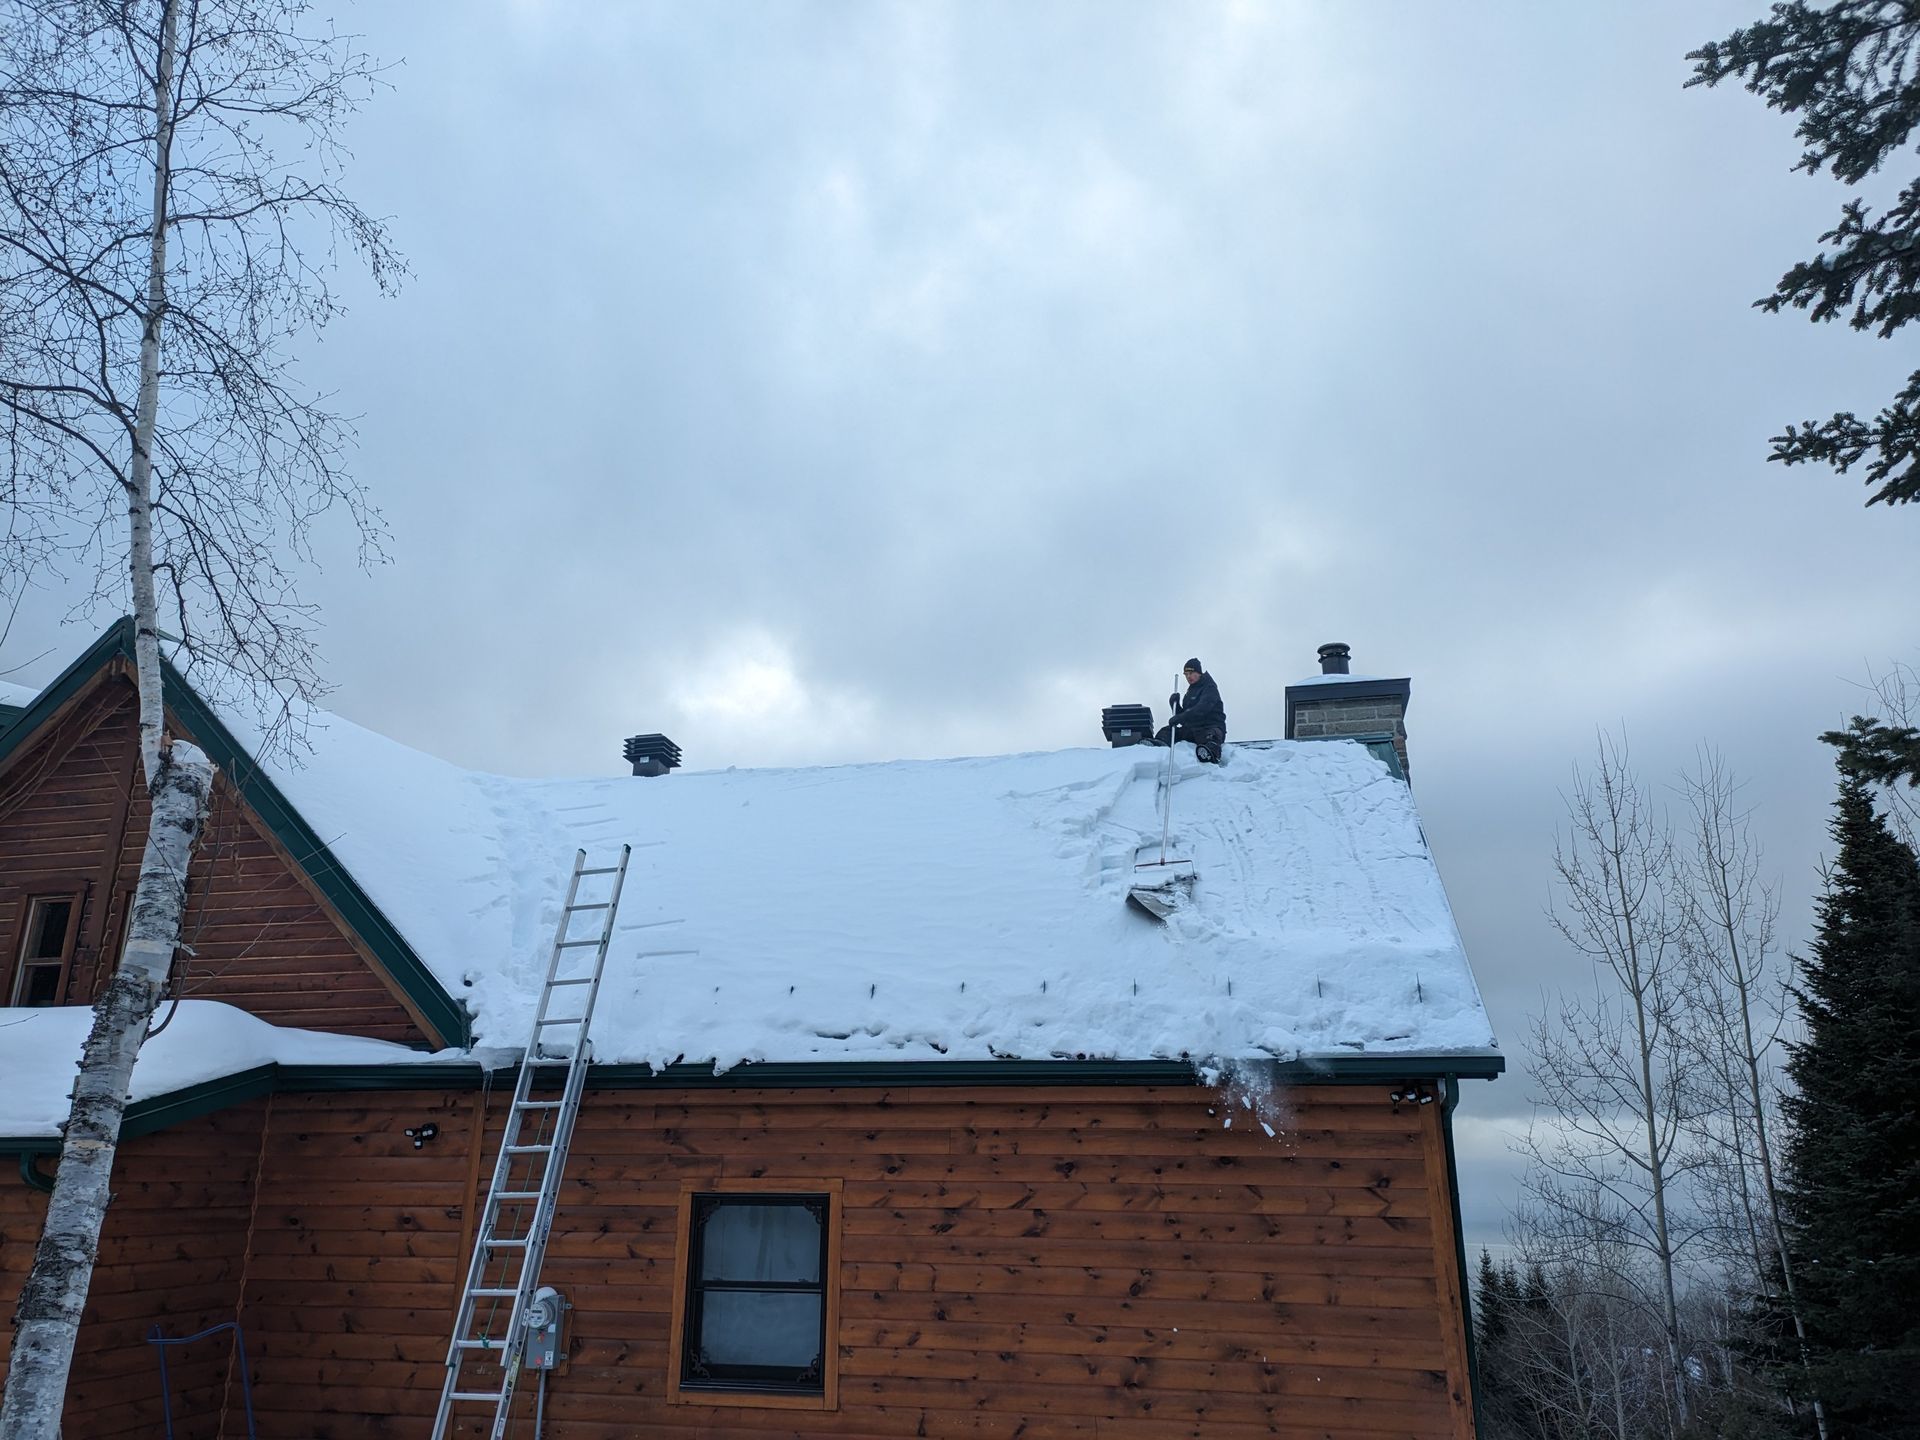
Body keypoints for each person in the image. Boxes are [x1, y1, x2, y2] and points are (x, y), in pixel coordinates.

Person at [1152, 658, 1227, 762]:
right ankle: (1156, 747)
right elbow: (1185, 718)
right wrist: (1175, 704)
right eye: (1186, 674)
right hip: (1192, 729)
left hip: (1209, 727)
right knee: (1167, 731)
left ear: (1199, 672)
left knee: (1211, 736)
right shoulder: (1190, 693)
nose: (1188, 677)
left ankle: (1209, 753)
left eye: (1191, 673)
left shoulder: (1210, 687)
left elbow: (1202, 709)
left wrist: (1180, 717)